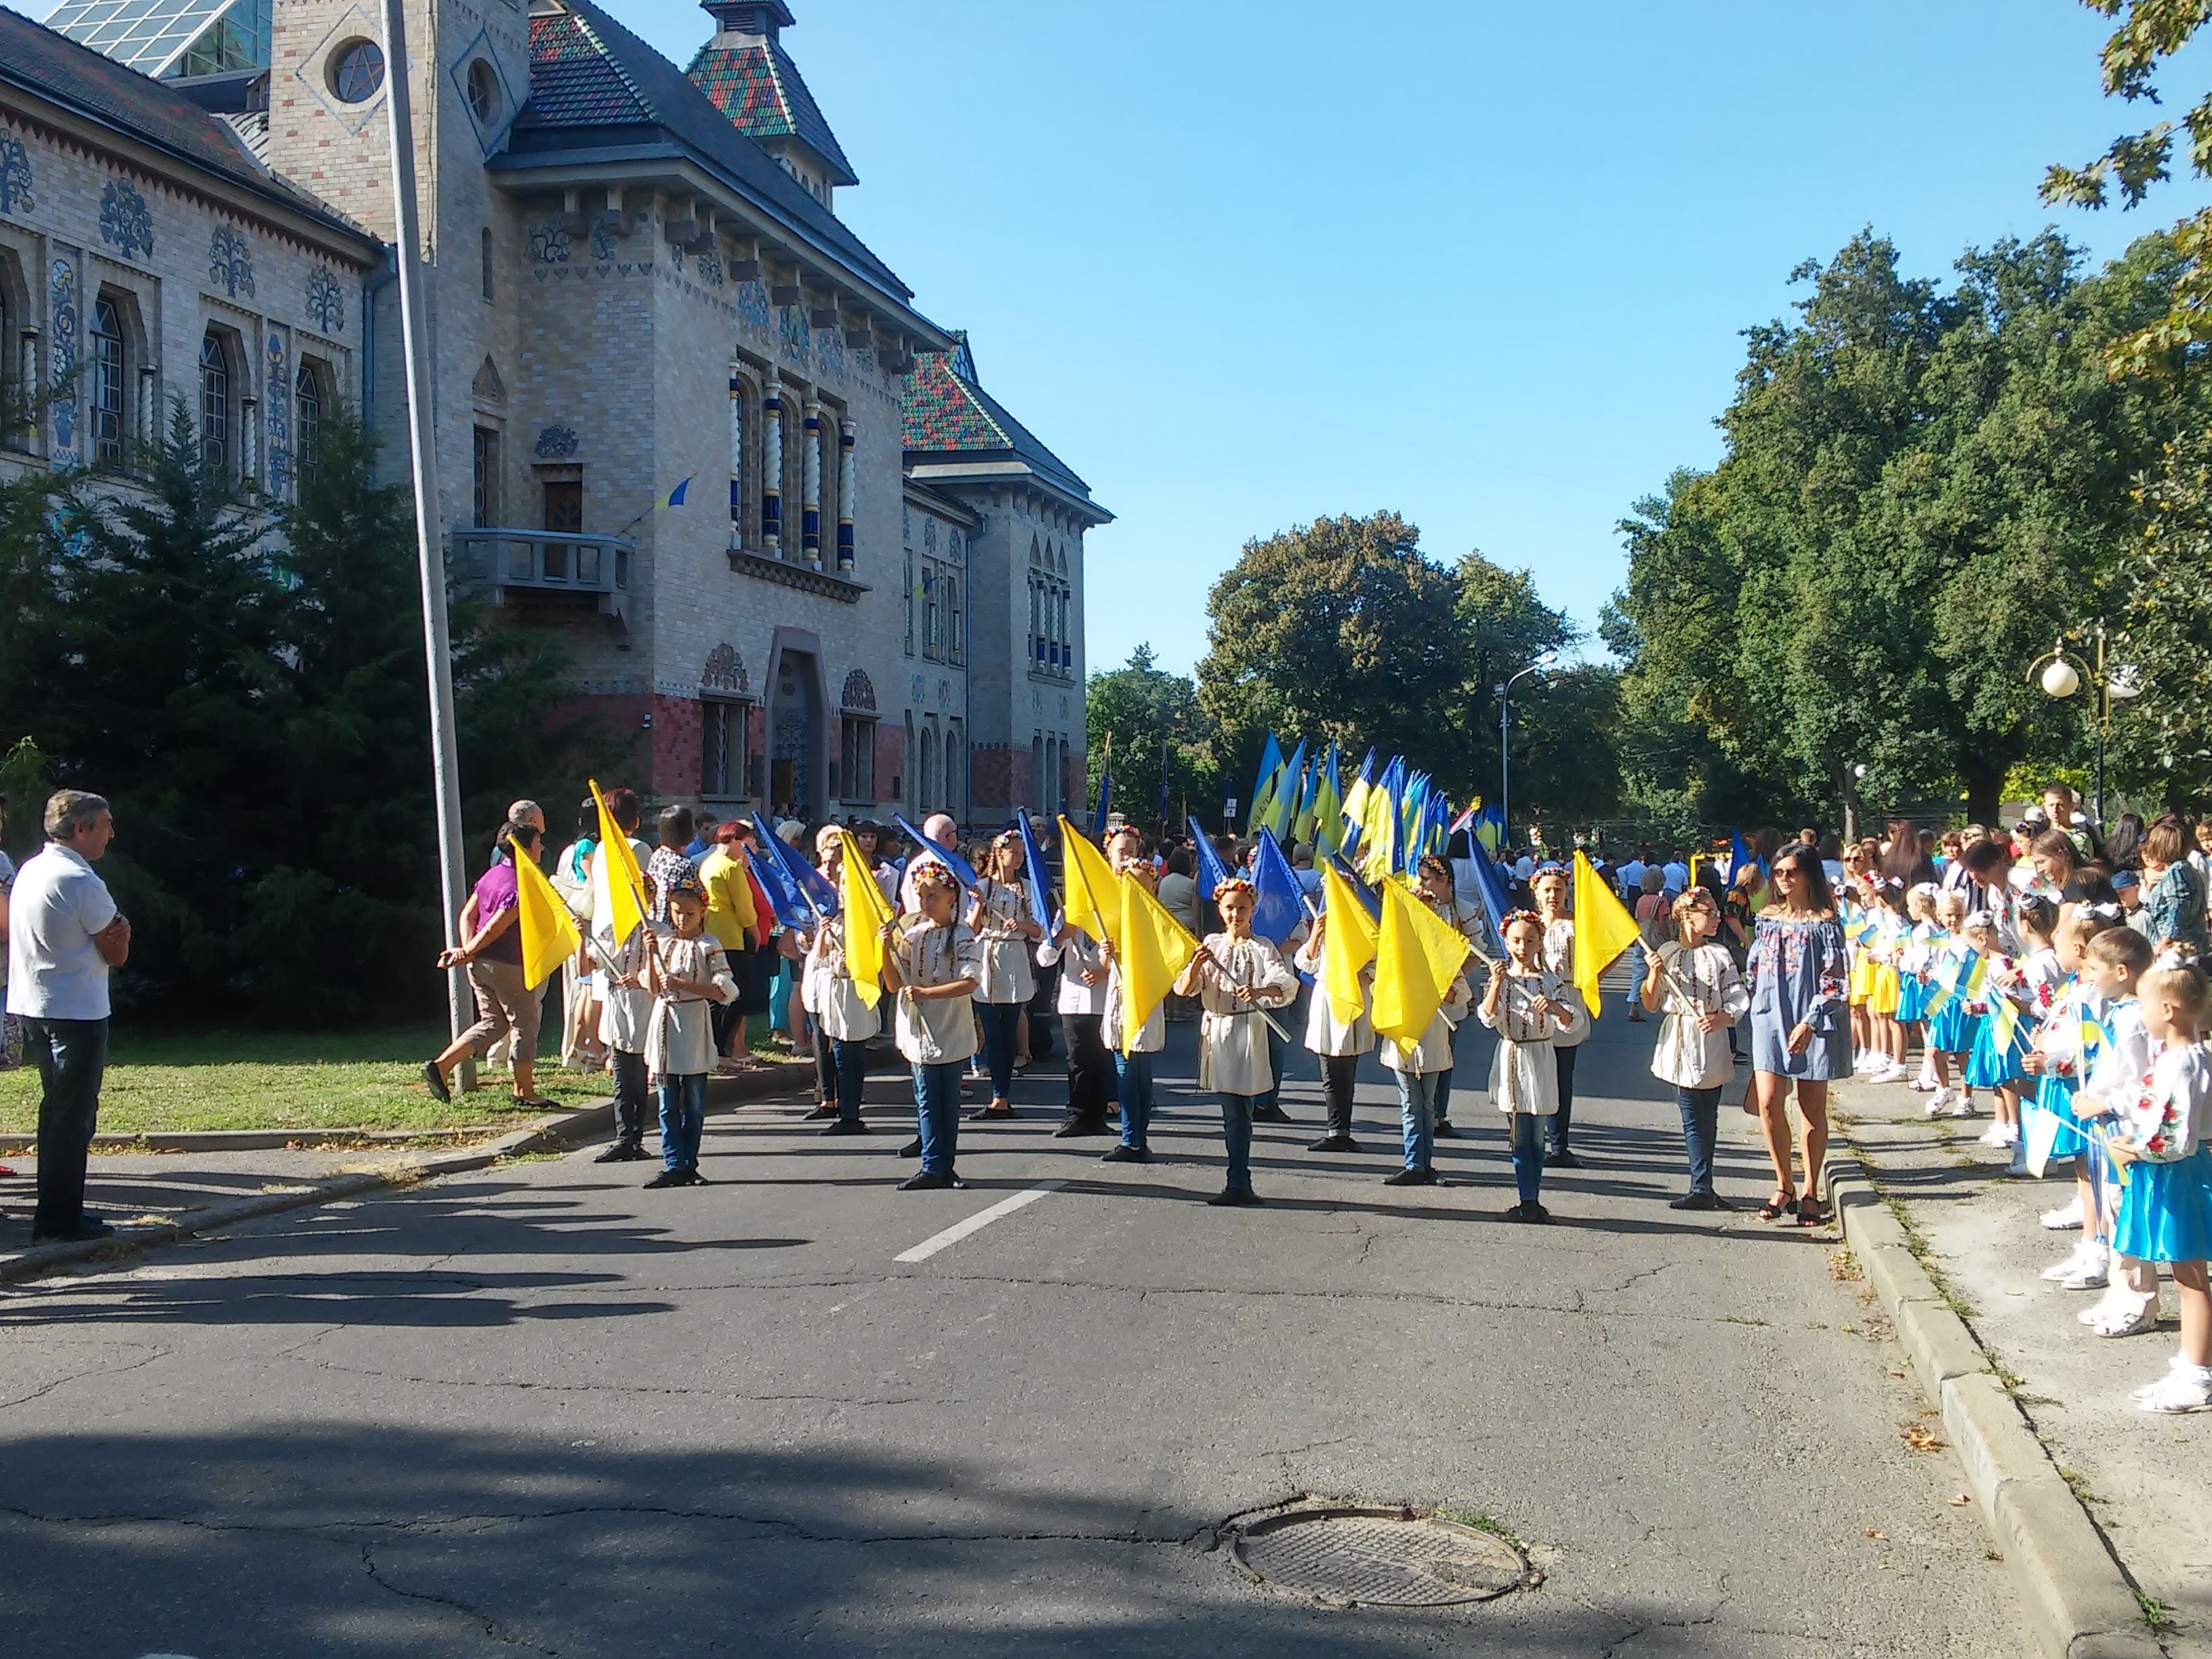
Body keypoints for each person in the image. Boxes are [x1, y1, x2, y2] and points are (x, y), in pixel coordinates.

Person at [6, 791, 130, 1243]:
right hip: (77, 1010)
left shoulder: (32, 869)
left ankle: (58, 1210)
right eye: (105, 824)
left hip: (34, 1004)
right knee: (74, 1116)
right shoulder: (80, 880)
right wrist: (123, 935)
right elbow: (116, 951)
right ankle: (59, 1220)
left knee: (56, 1110)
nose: (111, 834)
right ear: (81, 828)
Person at [2104, 960, 2212, 1412]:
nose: (2141, 1015)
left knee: (2191, 1279)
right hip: (2171, 1171)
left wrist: (2137, 1151)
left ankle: (2198, 1375)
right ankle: (2190, 1364)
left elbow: (2177, 1138)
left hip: (2178, 1174)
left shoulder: (2183, 1063)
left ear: (2168, 1009)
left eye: (2145, 1006)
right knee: (2185, 1274)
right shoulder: (2180, 1058)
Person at [1174, 878, 1296, 1207]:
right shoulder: (1211, 945)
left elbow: (1282, 982)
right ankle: (1237, 1178)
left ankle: (1239, 1179)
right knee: (1233, 1109)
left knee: (1240, 1109)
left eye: (1242, 908)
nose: (1235, 914)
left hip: (1248, 1031)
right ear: (1220, 910)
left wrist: (1259, 991)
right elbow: (1184, 989)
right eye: (1229, 908)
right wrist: (1197, 963)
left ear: (1253, 910)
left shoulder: (1262, 946)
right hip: (1217, 1031)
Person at [1744, 843, 1849, 1227]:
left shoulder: (1826, 922)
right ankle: (1783, 1183)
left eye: (1792, 872)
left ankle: (1810, 1190)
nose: (1784, 879)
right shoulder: (1767, 917)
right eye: (1779, 872)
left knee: (1810, 1107)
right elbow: (1755, 968)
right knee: (1768, 1101)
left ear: (1809, 875)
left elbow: (1835, 980)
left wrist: (1811, 1020)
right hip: (1769, 1014)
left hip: (1811, 1016)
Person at [423, 819, 556, 1110]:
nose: (542, 848)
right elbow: (497, 925)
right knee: (525, 1024)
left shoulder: (492, 875)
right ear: (525, 849)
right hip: (507, 964)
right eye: (537, 843)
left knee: (494, 1023)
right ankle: (524, 1091)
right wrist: (468, 950)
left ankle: (441, 1066)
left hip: (480, 965)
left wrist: (469, 950)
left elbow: (468, 915)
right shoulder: (521, 883)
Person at [1477, 909, 1586, 1222]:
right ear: (1507, 943)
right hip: (1512, 1056)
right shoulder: (1502, 980)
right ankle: (1526, 1198)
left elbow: (1571, 1020)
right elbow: (1488, 1017)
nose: (1522, 947)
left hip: (1541, 1057)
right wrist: (1496, 983)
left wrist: (1553, 1007)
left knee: (1537, 1134)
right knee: (1520, 1133)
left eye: (1529, 941)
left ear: (1540, 943)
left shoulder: (1550, 982)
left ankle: (1533, 1199)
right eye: (1516, 941)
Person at [1642, 886, 1748, 1210]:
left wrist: (1723, 1017)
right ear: (1688, 916)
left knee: (1709, 1113)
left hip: (1712, 1039)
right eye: (1709, 912)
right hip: (1682, 1038)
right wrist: (1654, 973)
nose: (1716, 918)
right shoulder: (1668, 953)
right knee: (1692, 1115)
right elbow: (1651, 1002)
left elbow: (1736, 994)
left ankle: (1706, 1184)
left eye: (1716, 912)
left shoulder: (1719, 954)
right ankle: (1701, 1185)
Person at [881, 863, 982, 1190]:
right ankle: (931, 1165)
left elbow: (970, 982)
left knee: (948, 1099)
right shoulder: (913, 935)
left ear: (952, 897)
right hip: (919, 1028)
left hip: (950, 1025)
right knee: (926, 1097)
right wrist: (885, 949)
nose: (925, 904)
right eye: (921, 897)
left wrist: (927, 993)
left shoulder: (964, 935)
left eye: (933, 896)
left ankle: (945, 1166)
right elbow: (895, 984)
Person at [639, 878, 735, 1188]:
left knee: (693, 1102)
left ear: (702, 911)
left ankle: (689, 1163)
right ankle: (673, 1163)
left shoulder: (709, 945)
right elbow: (652, 987)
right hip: (666, 1021)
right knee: (667, 1101)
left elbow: (724, 992)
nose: (682, 919)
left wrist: (684, 985)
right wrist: (650, 955)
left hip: (693, 1021)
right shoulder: (663, 942)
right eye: (677, 912)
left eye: (689, 913)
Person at [797, 838, 878, 1137]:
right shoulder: (833, 915)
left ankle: (851, 1113)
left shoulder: (866, 916)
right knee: (840, 1052)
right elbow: (818, 954)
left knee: (853, 1055)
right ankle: (845, 1110)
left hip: (855, 988)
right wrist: (822, 933)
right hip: (834, 987)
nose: (841, 887)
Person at [1379, 945, 1470, 1188]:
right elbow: (1379, 990)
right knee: (1411, 1105)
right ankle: (1413, 1165)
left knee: (1428, 1106)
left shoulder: (1443, 958)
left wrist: (1437, 988)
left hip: (1433, 1044)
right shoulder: (1395, 954)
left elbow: (1462, 994)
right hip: (1403, 1041)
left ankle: (1426, 1164)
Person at [967, 830, 1042, 1120]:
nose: (1019, 858)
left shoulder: (1027, 888)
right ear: (999, 854)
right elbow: (971, 929)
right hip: (989, 956)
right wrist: (978, 904)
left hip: (1014, 957)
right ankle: (997, 1093)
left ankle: (1003, 1096)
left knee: (1009, 1030)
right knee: (991, 1030)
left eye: (1022, 853)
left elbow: (1039, 930)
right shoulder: (983, 886)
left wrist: (1021, 925)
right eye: (1015, 852)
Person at [1100, 859, 1168, 1162]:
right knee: (1125, 1072)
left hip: (1146, 998)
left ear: (1153, 887)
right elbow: (1107, 966)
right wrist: (1106, 953)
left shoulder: (1160, 919)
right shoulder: (1115, 918)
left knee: (1141, 1074)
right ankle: (1132, 1139)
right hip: (1120, 999)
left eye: (1144, 884)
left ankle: (1138, 1138)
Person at [1414, 855, 1483, 1139]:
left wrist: (1455, 979)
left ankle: (1438, 1115)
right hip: (1419, 994)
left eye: (1426, 879)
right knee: (1416, 1056)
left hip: (1449, 996)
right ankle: (1418, 1112)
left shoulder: (1461, 909)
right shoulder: (1416, 905)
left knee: (1445, 1056)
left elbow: (1477, 951)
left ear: (1443, 880)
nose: (1421, 884)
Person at [1530, 863, 1591, 1165]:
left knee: (1562, 1077)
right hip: (1537, 1002)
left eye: (1558, 889)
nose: (1553, 895)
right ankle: (1531, 1139)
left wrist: (1591, 980)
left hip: (1568, 1000)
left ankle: (1559, 1145)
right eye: (1547, 890)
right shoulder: (1530, 926)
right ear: (1536, 894)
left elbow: (1606, 953)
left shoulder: (1577, 925)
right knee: (1535, 1074)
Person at [1038, 915, 1113, 1138]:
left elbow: (1131, 955)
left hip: (1105, 997)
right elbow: (1044, 958)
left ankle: (1097, 1116)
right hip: (1075, 998)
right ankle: (1078, 1115)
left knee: (1102, 1059)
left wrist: (1104, 972)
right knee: (1077, 1059)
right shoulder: (1068, 914)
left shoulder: (1112, 911)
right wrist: (1062, 936)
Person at [550, 798, 602, 1073]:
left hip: (581, 920)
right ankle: (583, 1046)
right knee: (588, 984)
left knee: (583, 984)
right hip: (589, 919)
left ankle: (575, 1047)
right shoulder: (588, 847)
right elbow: (593, 882)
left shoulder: (573, 847)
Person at [2140, 818, 2208, 959]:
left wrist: (2164, 942)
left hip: (2177, 950)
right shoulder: (2186, 869)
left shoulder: (2177, 871)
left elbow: (2178, 907)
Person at [1626, 867, 1668, 1023]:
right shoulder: (1661, 901)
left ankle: (1634, 1007)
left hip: (1641, 941)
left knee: (1638, 974)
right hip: (1656, 942)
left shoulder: (1641, 900)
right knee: (1662, 972)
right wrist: (1668, 938)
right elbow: (1662, 923)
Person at [647, 805, 697, 923]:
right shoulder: (685, 865)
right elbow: (695, 900)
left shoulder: (656, 856)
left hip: (654, 923)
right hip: (674, 926)